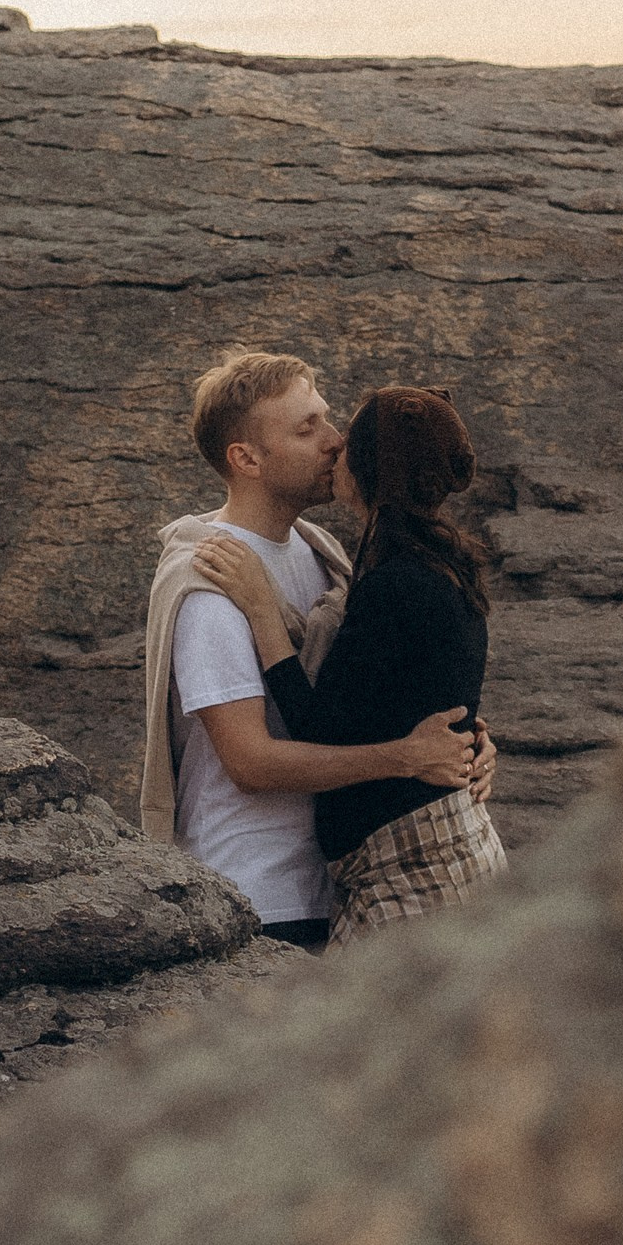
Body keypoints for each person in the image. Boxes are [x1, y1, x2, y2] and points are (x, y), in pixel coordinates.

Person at [139, 354, 488, 950]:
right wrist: (407, 757)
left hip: (351, 885)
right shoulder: (213, 582)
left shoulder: (321, 553)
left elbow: (374, 690)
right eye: (307, 429)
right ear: (246, 458)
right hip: (260, 897)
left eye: (328, 420)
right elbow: (251, 763)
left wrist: (468, 741)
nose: (335, 443)